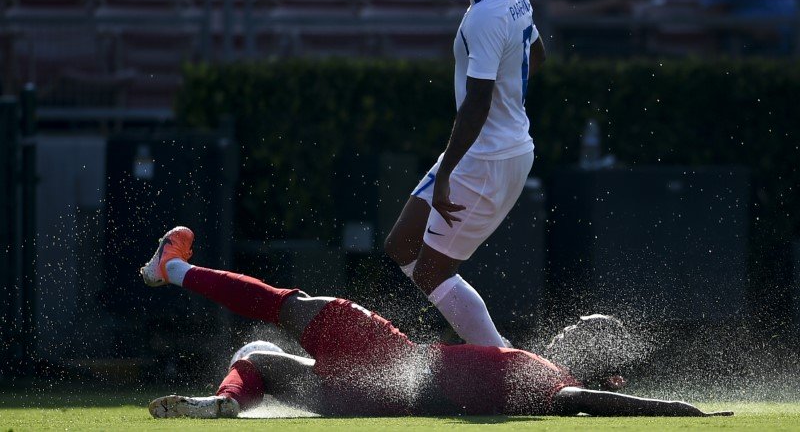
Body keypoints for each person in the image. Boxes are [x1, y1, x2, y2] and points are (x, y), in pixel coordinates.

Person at [141, 226, 733, 418]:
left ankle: (173, 272)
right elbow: (462, 302)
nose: (575, 325)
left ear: (591, 357)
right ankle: (224, 404)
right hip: (366, 398)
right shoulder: (520, 366)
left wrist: (676, 411)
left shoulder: (548, 382)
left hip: (394, 366)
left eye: (587, 328)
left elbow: (594, 402)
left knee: (289, 306)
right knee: (257, 355)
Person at [382, 0, 544, 349]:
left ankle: (503, 363)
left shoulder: (486, 15)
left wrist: (448, 173)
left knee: (433, 271)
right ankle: (495, 349)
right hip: (489, 150)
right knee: (402, 245)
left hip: (488, 159)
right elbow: (538, 56)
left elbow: (476, 104)